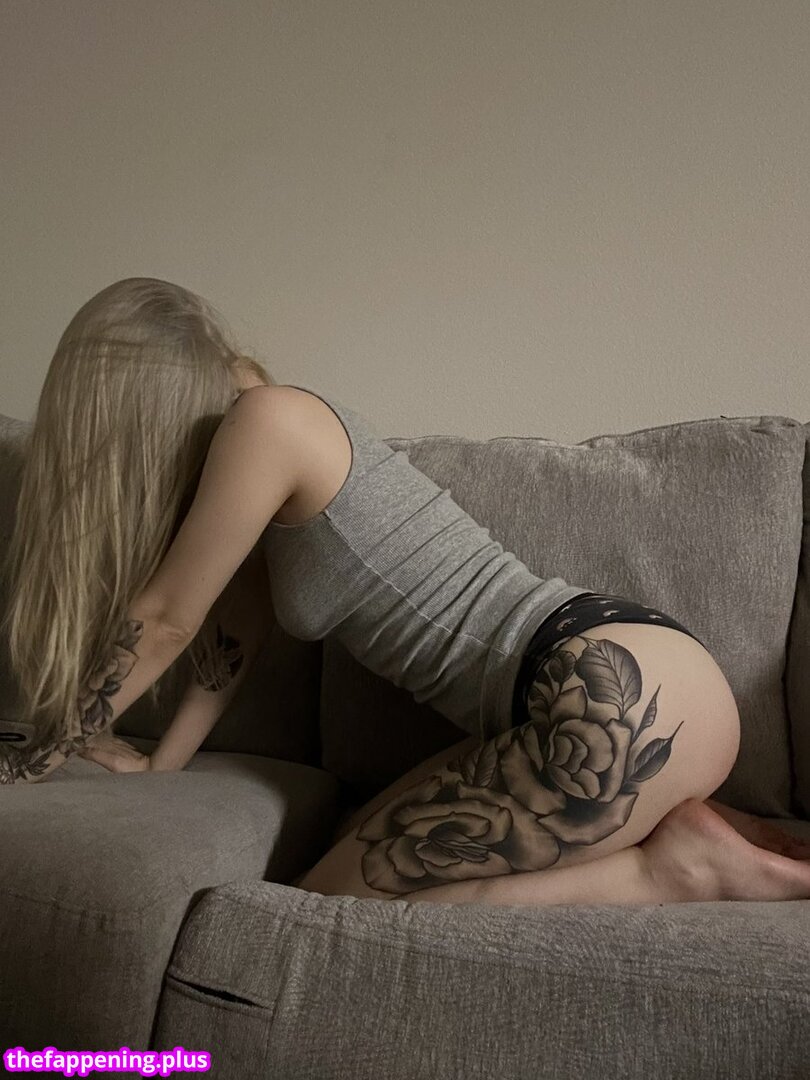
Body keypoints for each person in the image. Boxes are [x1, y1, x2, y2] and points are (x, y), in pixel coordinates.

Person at [3, 277, 810, 911]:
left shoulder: (270, 419)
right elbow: (230, 638)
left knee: (328, 908)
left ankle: (674, 872)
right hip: (613, 678)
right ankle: (677, 836)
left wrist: (35, 755)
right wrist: (160, 763)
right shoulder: (252, 453)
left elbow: (165, 621)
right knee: (346, 847)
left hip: (614, 695)